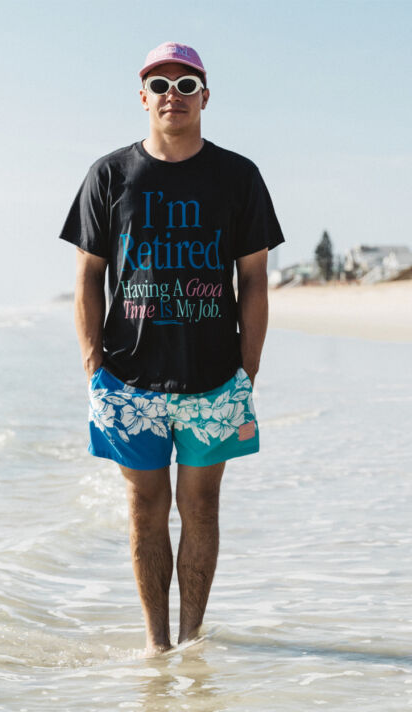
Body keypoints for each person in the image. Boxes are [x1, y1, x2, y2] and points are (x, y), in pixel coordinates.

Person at [59, 41, 284, 656]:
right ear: (143, 98)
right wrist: (91, 364)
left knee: (202, 507)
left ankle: (192, 638)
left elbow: (255, 279)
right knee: (144, 510)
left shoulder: (239, 176)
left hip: (214, 376)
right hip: (129, 379)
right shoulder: (110, 174)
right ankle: (158, 648)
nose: (172, 96)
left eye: (186, 85)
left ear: (205, 97)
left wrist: (250, 365)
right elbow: (88, 274)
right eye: (159, 85)